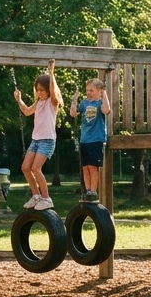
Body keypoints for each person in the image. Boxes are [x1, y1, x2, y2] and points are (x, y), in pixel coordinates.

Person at [14, 59, 63, 211]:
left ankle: (47, 199)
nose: (39, 92)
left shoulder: (51, 102)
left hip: (47, 140)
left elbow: (54, 93)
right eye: (37, 90)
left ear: (48, 90)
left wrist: (51, 73)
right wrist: (19, 100)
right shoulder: (39, 102)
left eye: (42, 90)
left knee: (36, 168)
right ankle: (36, 196)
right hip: (36, 140)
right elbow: (27, 111)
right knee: (25, 167)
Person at [70, 77, 111, 201]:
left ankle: (93, 191)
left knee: (93, 167)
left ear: (100, 91)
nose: (88, 92)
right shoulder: (84, 103)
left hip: (96, 140)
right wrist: (74, 100)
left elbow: (106, 110)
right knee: (85, 167)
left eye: (91, 90)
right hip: (84, 140)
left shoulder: (100, 103)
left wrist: (104, 95)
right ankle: (87, 191)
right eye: (87, 90)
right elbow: (72, 113)